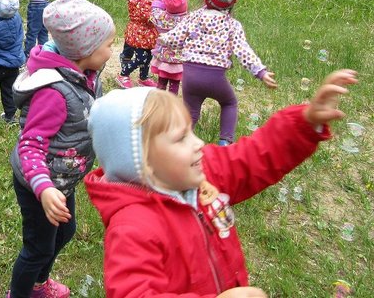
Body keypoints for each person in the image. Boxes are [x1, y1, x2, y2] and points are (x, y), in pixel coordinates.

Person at [85, 69, 359, 298]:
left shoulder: (204, 171)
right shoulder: (133, 228)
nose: (198, 143)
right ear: (141, 162)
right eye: (181, 138)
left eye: (191, 132)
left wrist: (305, 122)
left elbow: (253, 158)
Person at [7, 0, 116, 298]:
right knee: (37, 249)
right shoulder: (54, 93)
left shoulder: (85, 76)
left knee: (65, 232)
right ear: (86, 50)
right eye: (109, 45)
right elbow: (30, 145)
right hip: (39, 184)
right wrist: (43, 189)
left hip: (62, 179)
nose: (112, 51)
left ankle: (38, 285)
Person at [158, 0, 277, 145]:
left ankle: (177, 143)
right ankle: (224, 143)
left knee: (191, 113)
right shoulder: (232, 25)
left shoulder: (193, 17)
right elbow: (243, 50)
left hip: (190, 76)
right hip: (215, 78)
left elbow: (175, 38)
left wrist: (162, 38)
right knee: (229, 103)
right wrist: (261, 72)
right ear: (231, 4)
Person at [116, 0, 164, 89]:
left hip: (148, 34)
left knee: (148, 57)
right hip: (139, 34)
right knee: (141, 58)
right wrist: (162, 15)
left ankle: (143, 78)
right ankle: (123, 74)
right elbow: (148, 17)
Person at [149, 0, 188, 95]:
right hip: (177, 58)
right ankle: (171, 100)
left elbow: (154, 9)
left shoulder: (161, 17)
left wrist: (161, 2)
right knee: (174, 83)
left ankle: (159, 98)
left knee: (161, 80)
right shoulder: (187, 20)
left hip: (163, 55)